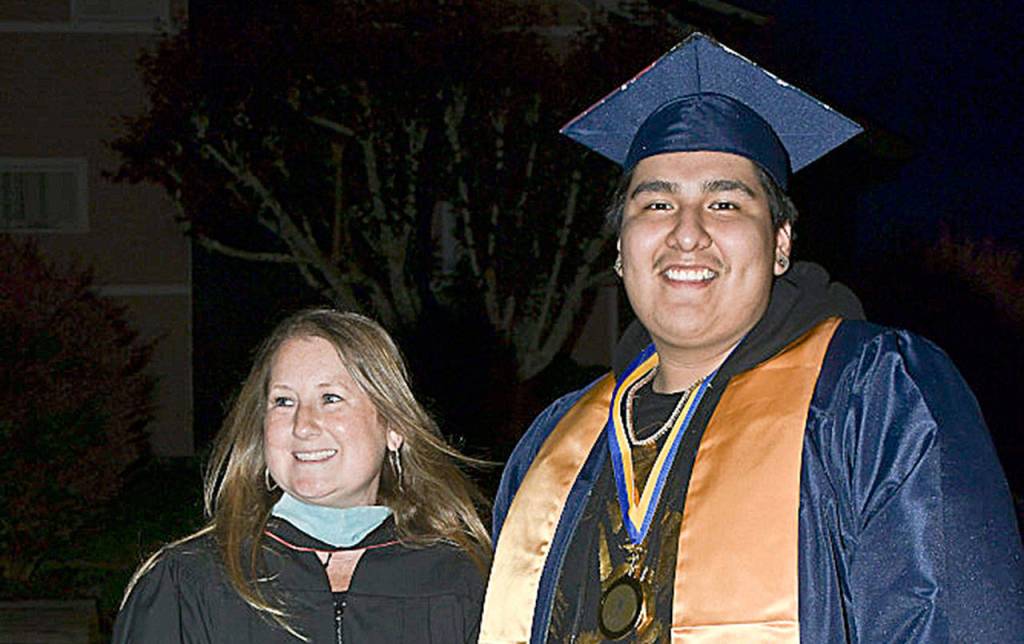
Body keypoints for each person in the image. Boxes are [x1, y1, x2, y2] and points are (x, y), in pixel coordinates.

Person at [480, 33, 1024, 643]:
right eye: (656, 205)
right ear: (619, 249)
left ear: (782, 243)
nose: (687, 234)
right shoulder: (553, 442)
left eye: (726, 205)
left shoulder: (872, 398)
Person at [114, 308, 489, 643]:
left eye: (330, 398)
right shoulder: (188, 583)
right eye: (283, 401)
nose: (303, 425)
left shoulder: (463, 581)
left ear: (393, 426)